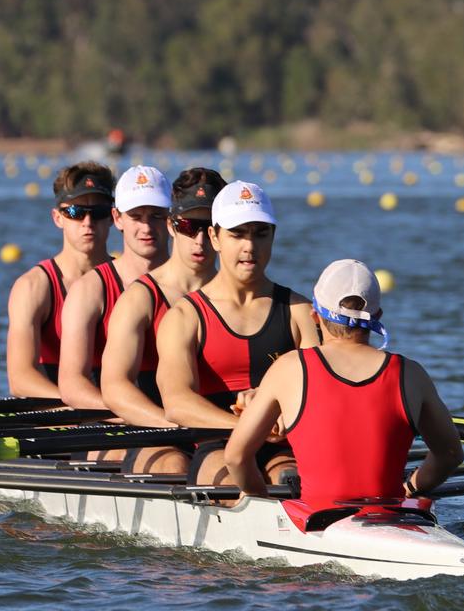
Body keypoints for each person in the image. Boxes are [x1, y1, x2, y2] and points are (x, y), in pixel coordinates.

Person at [223, 259, 464, 507]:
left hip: (317, 523)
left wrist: (259, 498)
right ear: (377, 316)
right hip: (392, 517)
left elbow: (236, 457)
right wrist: (410, 489)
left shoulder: (289, 368)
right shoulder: (410, 374)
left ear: (315, 316)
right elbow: (450, 455)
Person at [156, 180, 320, 485]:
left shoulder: (299, 311)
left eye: (260, 234)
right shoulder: (184, 317)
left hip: (282, 445)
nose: (250, 246)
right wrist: (246, 425)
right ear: (215, 238)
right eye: (237, 234)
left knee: (291, 478)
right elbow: (177, 403)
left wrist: (278, 413)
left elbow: (320, 392)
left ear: (273, 237)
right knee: (231, 479)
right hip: (214, 445)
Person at [101, 168, 226, 474]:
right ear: (172, 226)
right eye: (187, 225)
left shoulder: (245, 298)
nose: (199, 238)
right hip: (159, 433)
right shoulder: (140, 298)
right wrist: (174, 423)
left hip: (226, 432)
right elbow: (115, 388)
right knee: (174, 463)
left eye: (209, 226)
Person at [58, 165, 172, 410]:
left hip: (184, 418)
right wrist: (140, 414)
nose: (146, 227)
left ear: (171, 218)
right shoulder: (89, 290)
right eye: (136, 216)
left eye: (156, 215)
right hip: (118, 424)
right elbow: (72, 385)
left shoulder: (198, 286)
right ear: (117, 218)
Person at [5, 162, 115, 398]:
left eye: (98, 212)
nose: (87, 222)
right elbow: (20, 379)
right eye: (75, 212)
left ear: (113, 217)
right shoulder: (34, 286)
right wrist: (84, 403)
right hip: (61, 415)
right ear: (57, 218)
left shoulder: (131, 282)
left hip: (119, 411)